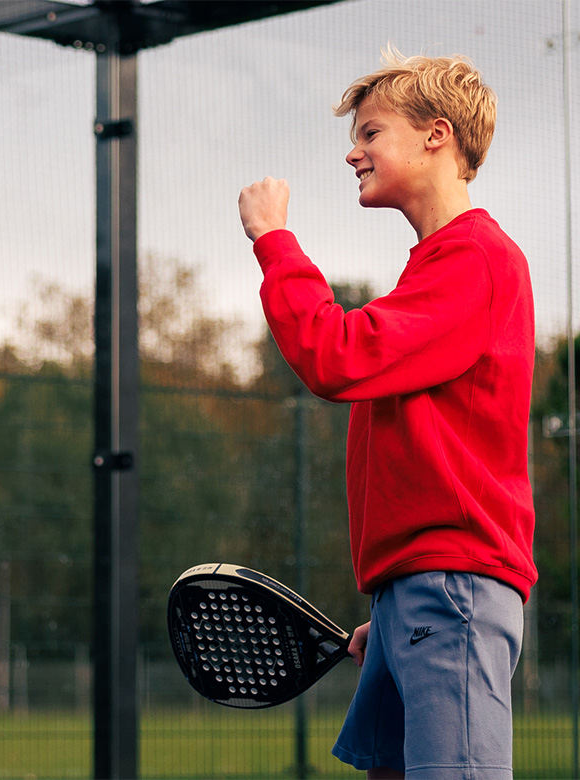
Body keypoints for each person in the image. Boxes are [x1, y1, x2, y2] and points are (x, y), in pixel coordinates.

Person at [238, 47, 537, 780]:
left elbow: (336, 355)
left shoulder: (478, 260)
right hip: (420, 591)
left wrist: (274, 242)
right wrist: (402, 604)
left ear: (437, 135)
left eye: (370, 133)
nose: (353, 152)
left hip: (453, 585)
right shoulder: (438, 268)